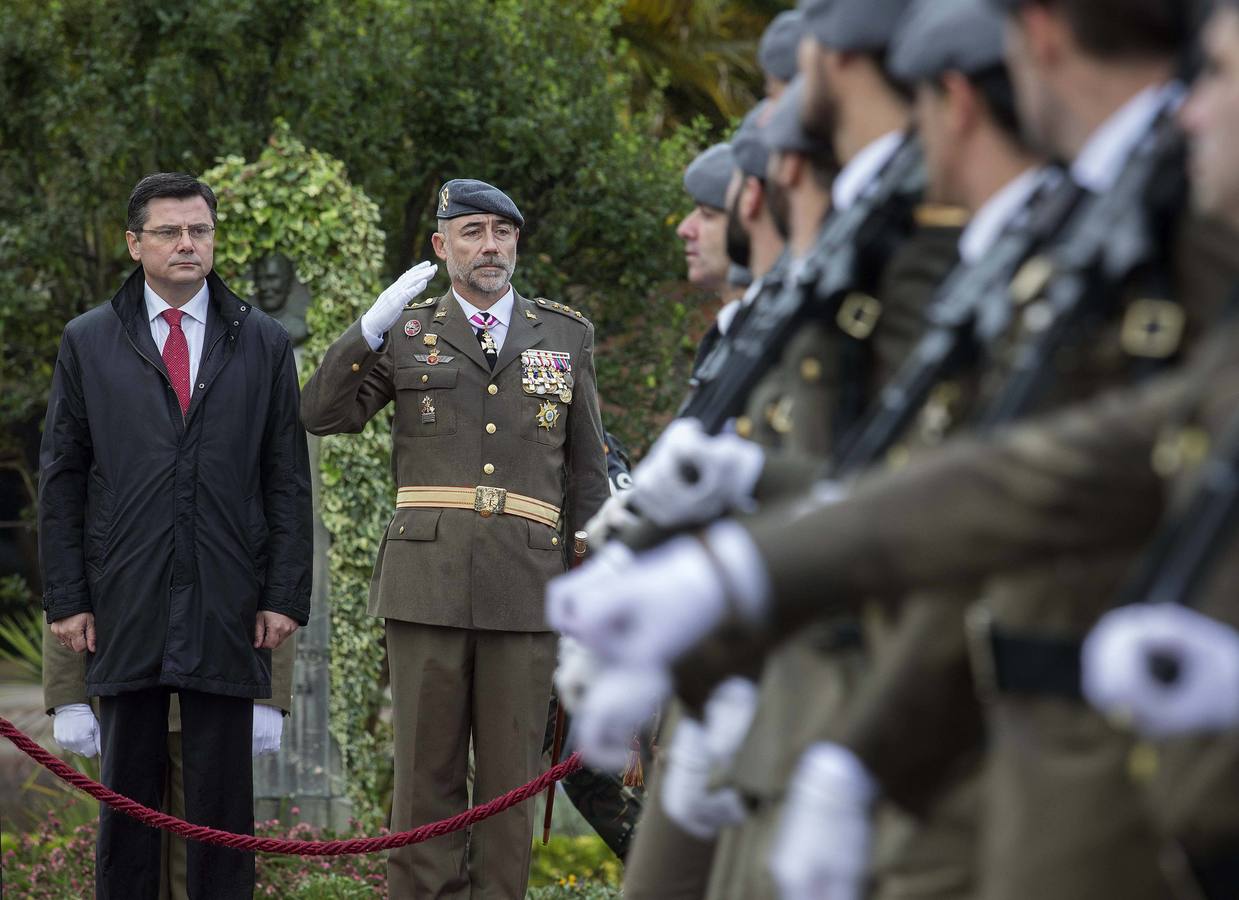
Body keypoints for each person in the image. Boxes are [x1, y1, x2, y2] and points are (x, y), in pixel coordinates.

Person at [550, 0, 1239, 896]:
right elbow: (1029, 469)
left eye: (1217, 73)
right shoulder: (1079, 225)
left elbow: (1025, 485)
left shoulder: (1136, 233)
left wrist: (846, 733)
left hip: (1032, 750)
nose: (1189, 107)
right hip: (945, 720)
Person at [300, 178, 609, 898]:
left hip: (527, 586)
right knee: (424, 782)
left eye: (502, 232)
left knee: (510, 784)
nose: (490, 246)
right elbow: (321, 413)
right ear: (442, 246)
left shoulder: (563, 334)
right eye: (471, 231)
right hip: (425, 582)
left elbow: (588, 481)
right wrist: (368, 329)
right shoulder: (407, 332)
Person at [39, 171, 312, 899]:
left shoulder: (261, 342)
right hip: (122, 600)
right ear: (135, 243)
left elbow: (285, 479)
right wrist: (66, 598)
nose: (188, 244)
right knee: (127, 805)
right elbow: (62, 479)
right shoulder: (89, 342)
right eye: (169, 231)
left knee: (223, 813)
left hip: (229, 603)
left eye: (200, 230)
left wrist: (284, 596)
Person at [42, 623, 295, 899]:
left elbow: (275, 591)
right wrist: (67, 692)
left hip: (219, 687)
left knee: (209, 860)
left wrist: (270, 692)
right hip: (124, 686)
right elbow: (66, 587)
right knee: (128, 857)